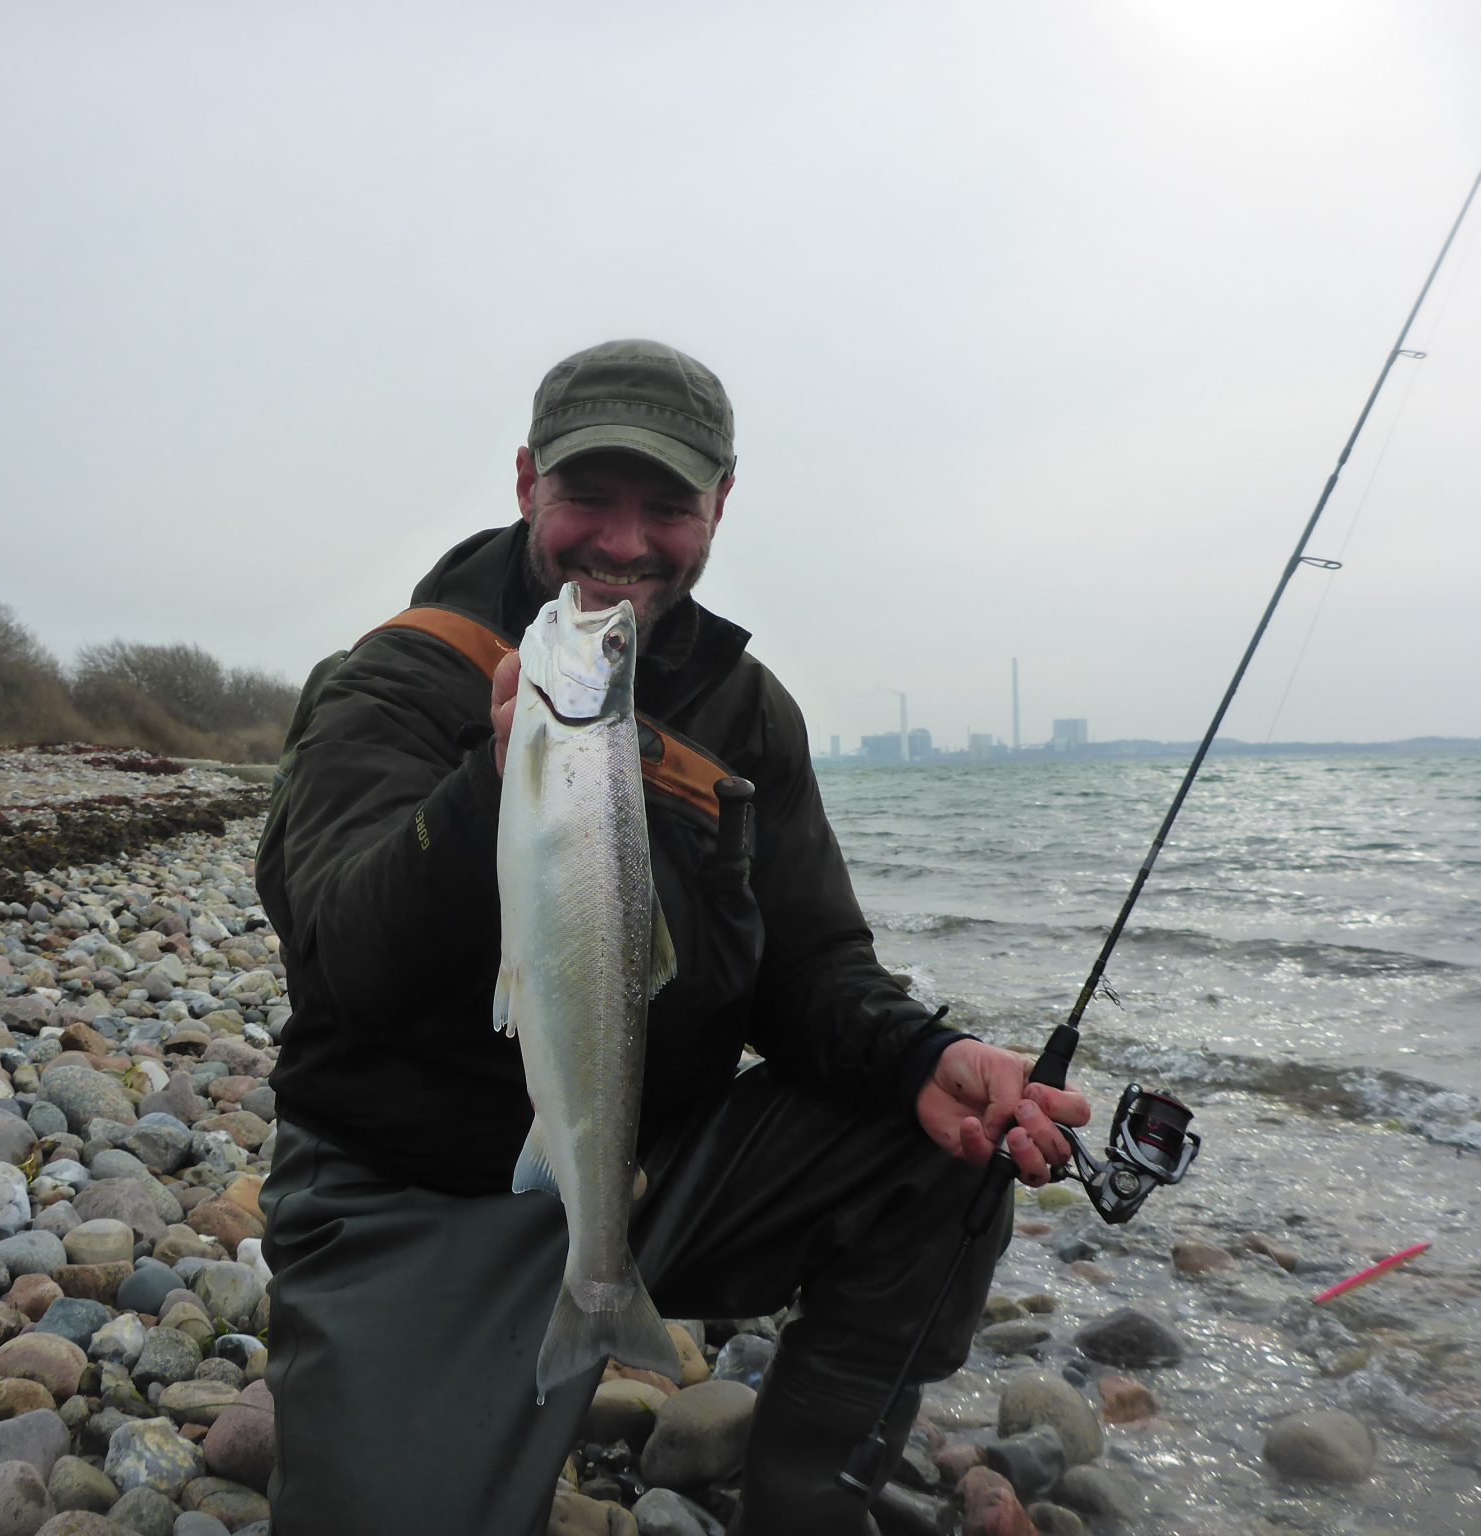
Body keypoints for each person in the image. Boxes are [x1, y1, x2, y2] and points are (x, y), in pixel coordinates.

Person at [254, 338, 1092, 1536]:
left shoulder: (747, 711)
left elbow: (809, 966)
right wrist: (490, 783)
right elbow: (340, 956)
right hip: (410, 1190)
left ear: (720, 508)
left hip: (643, 1166)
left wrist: (919, 1058)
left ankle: (801, 1511)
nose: (623, 541)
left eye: (668, 507)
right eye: (588, 496)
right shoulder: (395, 680)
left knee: (927, 1148)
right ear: (524, 482)